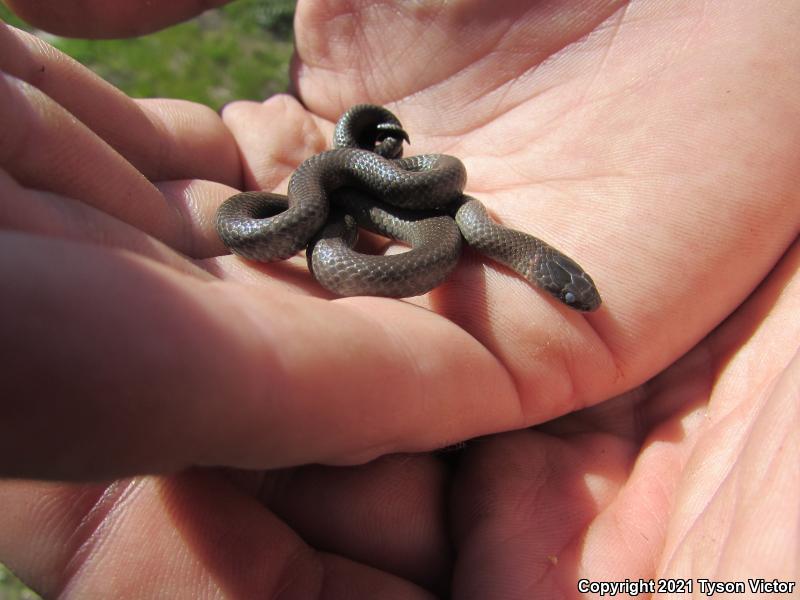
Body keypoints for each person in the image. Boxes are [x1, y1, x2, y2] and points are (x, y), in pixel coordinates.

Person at [0, 1, 797, 597]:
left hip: (368, 206)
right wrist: (344, 195)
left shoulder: (458, 226)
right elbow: (277, 222)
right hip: (330, 204)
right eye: (570, 291)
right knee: (350, 208)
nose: (574, 297)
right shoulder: (437, 217)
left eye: (571, 292)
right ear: (537, 270)